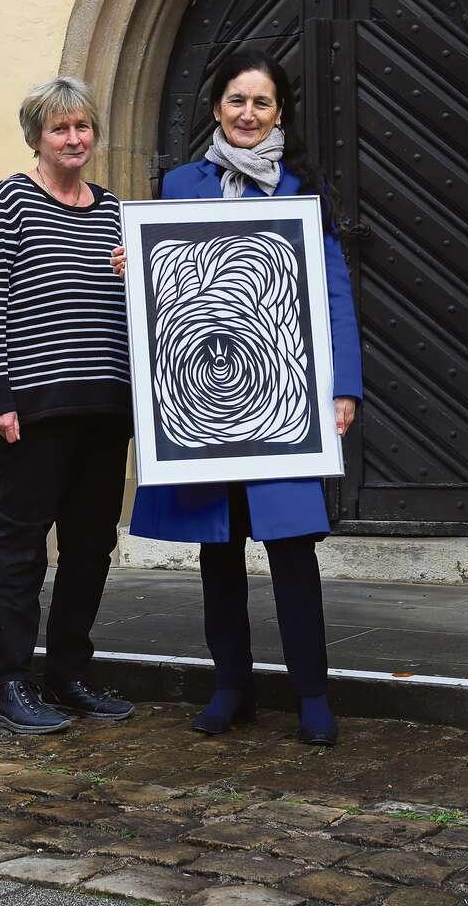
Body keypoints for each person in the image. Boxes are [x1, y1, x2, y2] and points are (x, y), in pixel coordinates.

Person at [113, 49, 362, 746]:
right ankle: (232, 687)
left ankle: (312, 694)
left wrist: (342, 387)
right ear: (215, 107)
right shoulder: (179, 183)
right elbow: (163, 296)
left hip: (281, 398)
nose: (247, 114)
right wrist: (133, 267)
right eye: (235, 101)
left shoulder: (301, 191)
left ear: (279, 112)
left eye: (260, 103)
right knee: (215, 551)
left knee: (290, 548)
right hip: (204, 395)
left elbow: (333, 294)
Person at [0, 76, 134, 734]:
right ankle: (7, 684)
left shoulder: (116, 211)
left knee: (91, 547)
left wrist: (135, 278)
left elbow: (145, 311)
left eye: (82, 127)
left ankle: (68, 674)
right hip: (31, 410)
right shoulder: (11, 200)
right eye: (60, 128)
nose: (74, 138)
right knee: (20, 546)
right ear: (36, 135)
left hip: (103, 406)